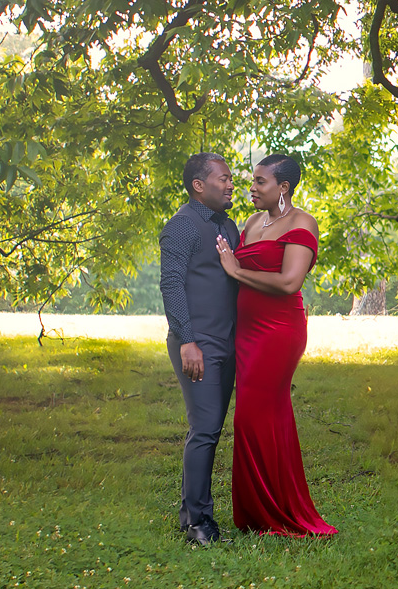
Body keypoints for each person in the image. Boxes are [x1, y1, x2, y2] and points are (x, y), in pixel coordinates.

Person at [216, 152, 337, 537]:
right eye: (251, 181)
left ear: (283, 187)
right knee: (266, 414)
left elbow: (289, 283)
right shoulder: (251, 222)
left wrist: (236, 270)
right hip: (247, 331)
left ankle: (275, 512)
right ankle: (258, 511)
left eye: (260, 182)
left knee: (252, 414)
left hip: (278, 331)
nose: (250, 188)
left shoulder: (303, 223)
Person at [159, 153, 239, 546]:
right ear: (198, 185)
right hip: (197, 342)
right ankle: (199, 525)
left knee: (212, 429)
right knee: (205, 429)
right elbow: (171, 285)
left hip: (227, 341)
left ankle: (189, 511)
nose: (230, 184)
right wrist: (187, 340)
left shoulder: (228, 224)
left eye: (231, 178)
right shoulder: (181, 227)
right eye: (223, 179)